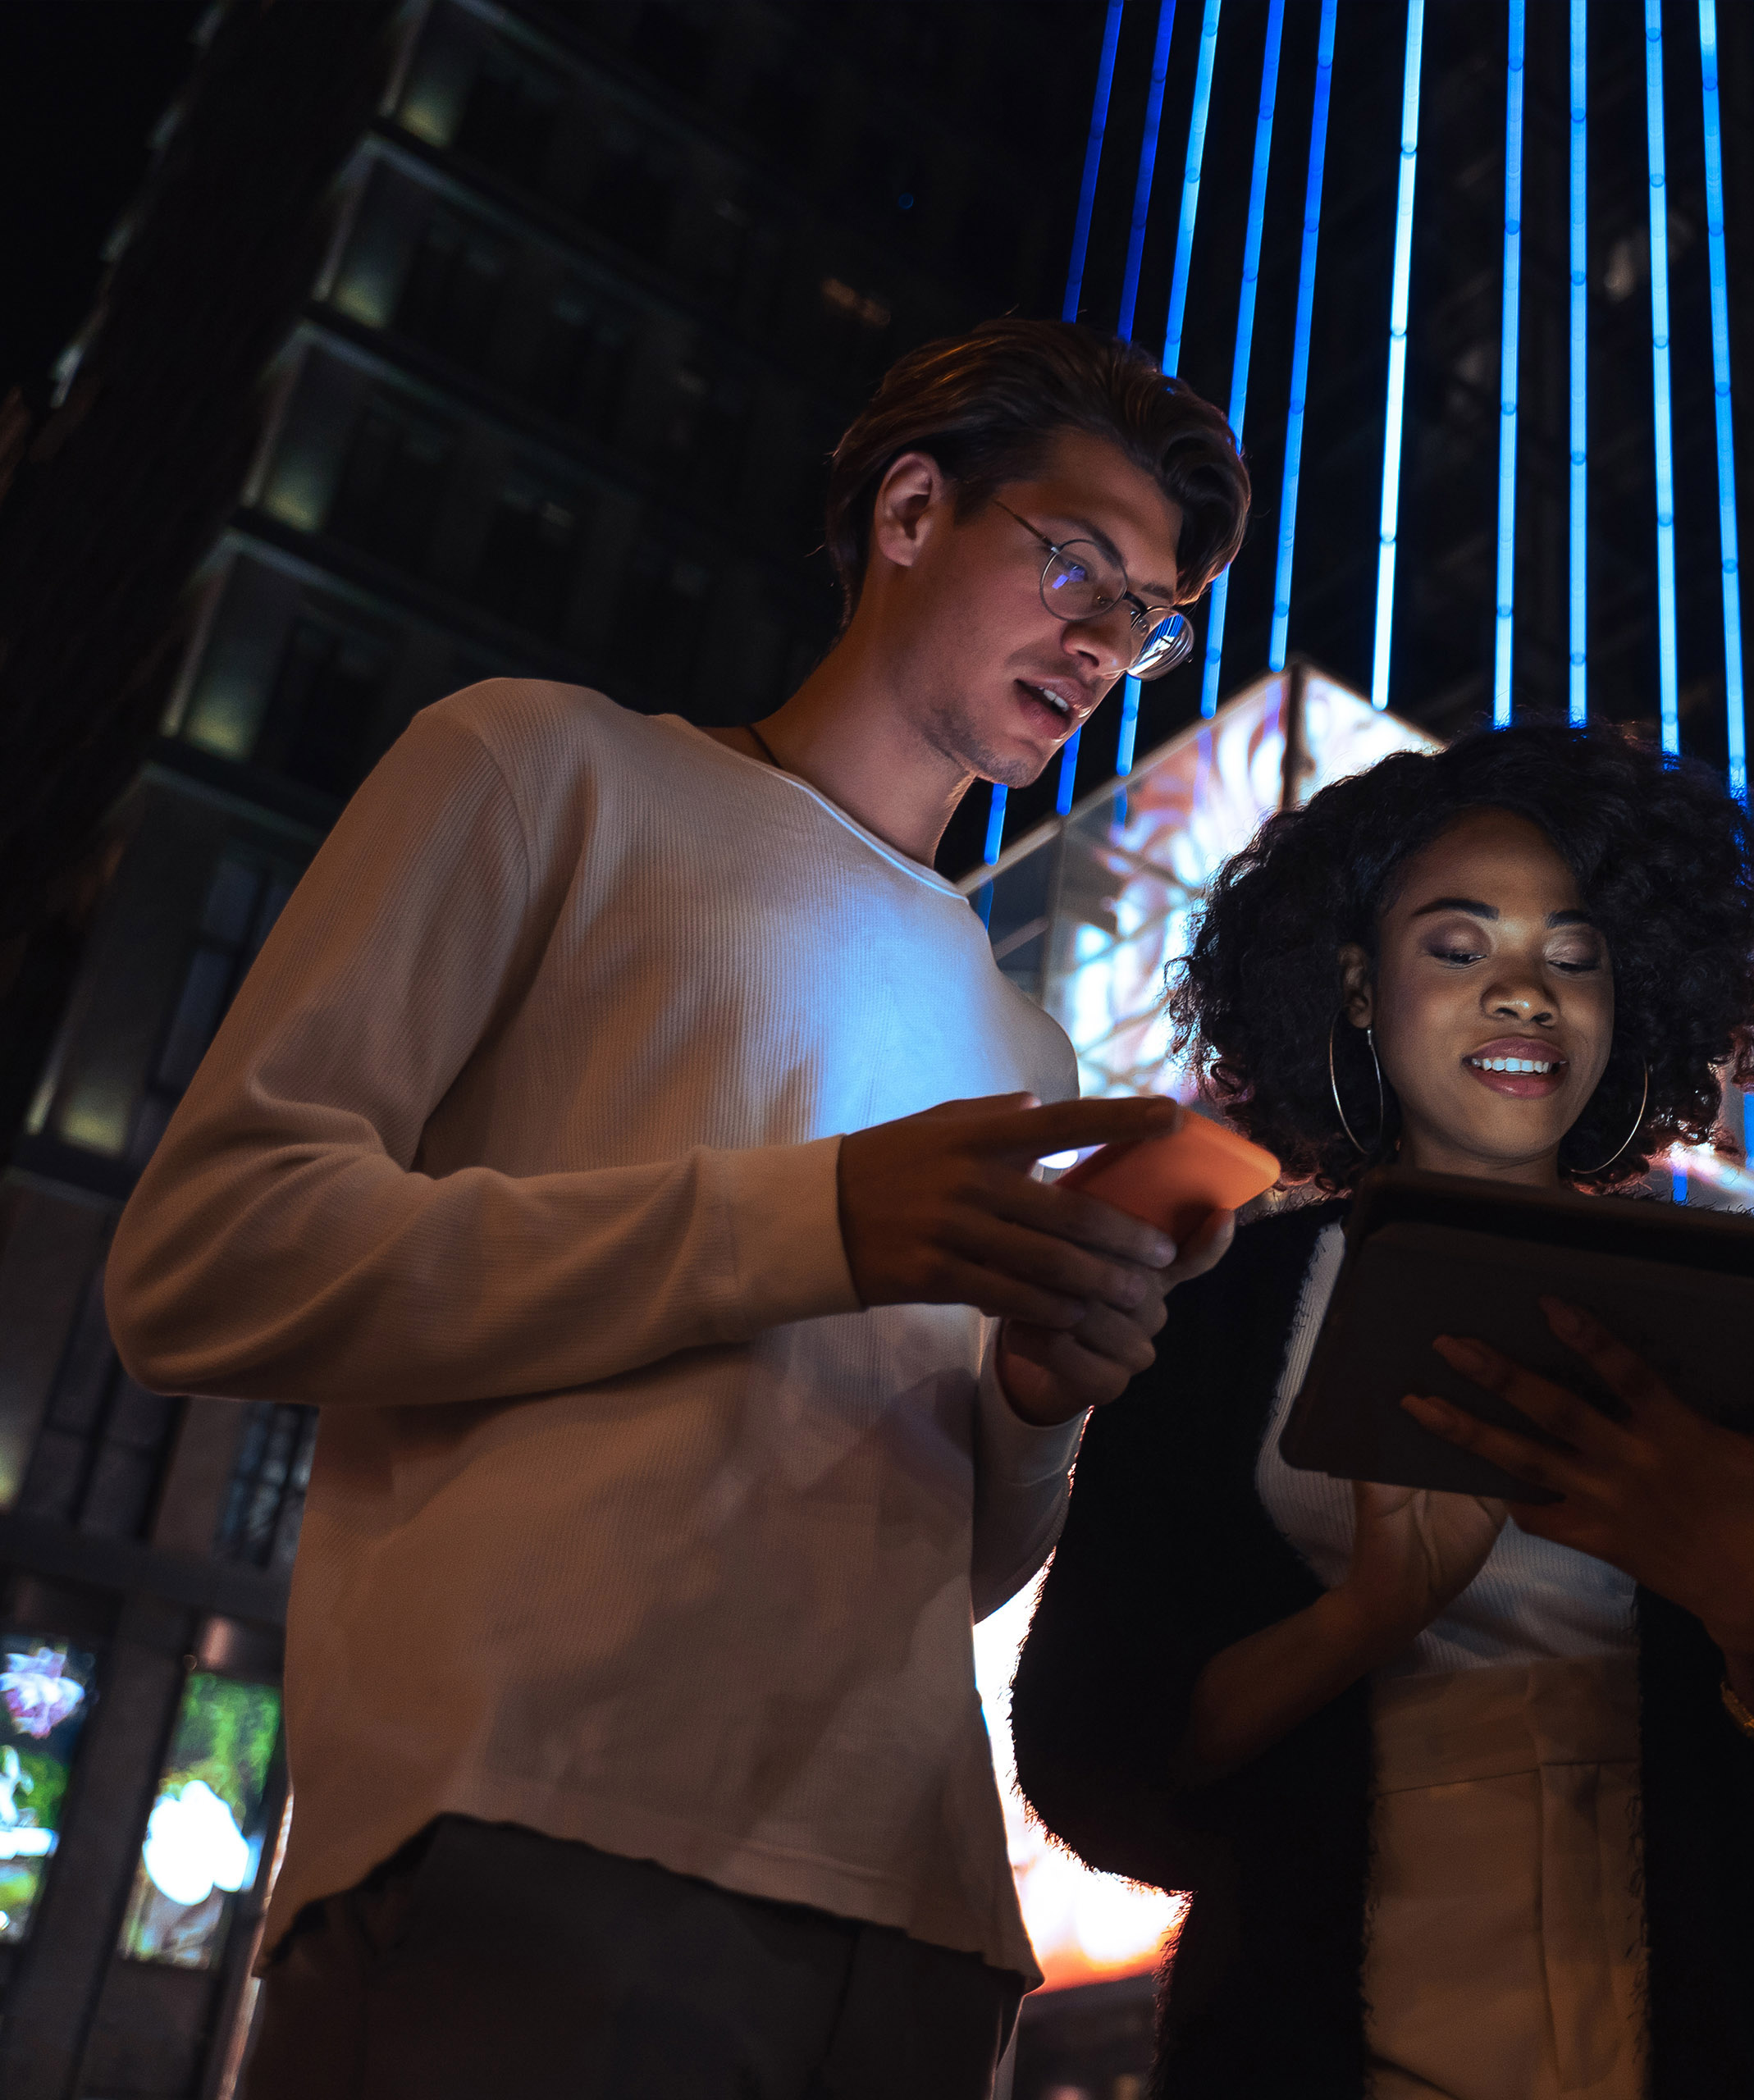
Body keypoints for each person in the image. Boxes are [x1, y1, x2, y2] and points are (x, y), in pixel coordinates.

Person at [103, 319, 1249, 2096]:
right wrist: (820, 1221)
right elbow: (206, 1259)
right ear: (912, 508)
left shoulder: (1022, 1036)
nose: (1110, 639)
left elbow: (966, 1564)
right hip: (527, 1828)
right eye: (1075, 562)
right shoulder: (541, 772)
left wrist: (1035, 1395)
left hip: (922, 1929)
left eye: (1153, 612)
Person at [1013, 726, 1754, 2100]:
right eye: (1460, 948)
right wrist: (1362, 1620)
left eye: (1575, 956)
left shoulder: (1734, 1307)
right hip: (1321, 2052)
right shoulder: (1214, 1311)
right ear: (1358, 985)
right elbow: (1092, 1750)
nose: (1526, 996)